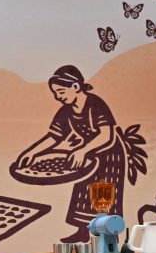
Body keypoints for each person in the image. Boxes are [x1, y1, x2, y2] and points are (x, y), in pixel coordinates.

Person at [16, 65, 127, 242]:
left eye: (61, 91)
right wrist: (32, 153)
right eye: (55, 93)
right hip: (87, 155)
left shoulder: (95, 104)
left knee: (103, 196)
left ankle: (108, 240)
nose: (58, 97)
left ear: (75, 86)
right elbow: (54, 136)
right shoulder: (66, 110)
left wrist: (82, 150)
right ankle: (82, 232)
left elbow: (106, 135)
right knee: (83, 191)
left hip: (108, 155)